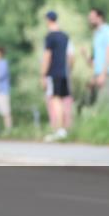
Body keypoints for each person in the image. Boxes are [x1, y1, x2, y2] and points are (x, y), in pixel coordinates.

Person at [41, 11, 70, 141]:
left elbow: (47, 56)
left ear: (48, 20)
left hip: (53, 73)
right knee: (62, 101)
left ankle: (58, 130)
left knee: (55, 101)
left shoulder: (50, 37)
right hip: (64, 72)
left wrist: (43, 74)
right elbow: (69, 56)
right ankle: (63, 129)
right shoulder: (65, 36)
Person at [88, 7, 109, 102]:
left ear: (100, 18)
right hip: (99, 75)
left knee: (103, 104)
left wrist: (103, 75)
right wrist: (95, 76)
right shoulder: (96, 34)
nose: (90, 20)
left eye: (92, 18)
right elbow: (95, 61)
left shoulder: (108, 32)